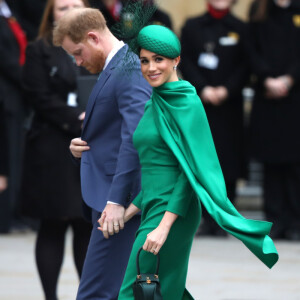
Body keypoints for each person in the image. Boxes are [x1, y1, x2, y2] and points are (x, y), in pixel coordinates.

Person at [93, 25, 279, 300]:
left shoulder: (186, 102)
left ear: (176, 61)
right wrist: (127, 211)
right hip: (155, 206)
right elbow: (158, 173)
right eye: (144, 60)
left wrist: (164, 226)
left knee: (135, 292)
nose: (150, 67)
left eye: (159, 60)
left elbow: (187, 172)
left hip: (174, 212)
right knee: (161, 290)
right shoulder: (153, 103)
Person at [52, 7, 152, 299]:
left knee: (96, 293)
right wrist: (81, 148)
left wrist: (116, 200)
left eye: (78, 52)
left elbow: (136, 138)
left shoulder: (128, 68)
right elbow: (116, 133)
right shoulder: (118, 66)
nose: (78, 62)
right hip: (113, 199)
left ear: (93, 37)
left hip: (120, 203)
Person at [20, 1, 92, 299]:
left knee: (86, 223)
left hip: (90, 146)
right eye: (63, 7)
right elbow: (38, 96)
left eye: (77, 4)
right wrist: (76, 118)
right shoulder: (39, 50)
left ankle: (89, 293)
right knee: (53, 223)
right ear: (51, 15)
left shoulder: (99, 49)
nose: (71, 10)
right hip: (51, 148)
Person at [180, 0, 248, 236]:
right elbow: (184, 61)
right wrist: (202, 88)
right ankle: (204, 218)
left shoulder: (241, 27)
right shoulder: (192, 26)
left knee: (228, 163)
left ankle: (226, 218)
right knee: (201, 161)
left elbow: (245, 65)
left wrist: (227, 89)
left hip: (229, 106)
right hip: (201, 105)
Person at [248, 0, 300, 240]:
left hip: (295, 98)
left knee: (294, 164)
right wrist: (267, 78)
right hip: (267, 97)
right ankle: (275, 220)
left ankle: (295, 221)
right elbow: (250, 50)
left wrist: (289, 79)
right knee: (271, 163)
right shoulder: (259, 10)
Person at [0, 0, 27, 233]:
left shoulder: (10, 12)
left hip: (14, 97)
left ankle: (11, 213)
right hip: (5, 95)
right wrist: (31, 79)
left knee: (12, 157)